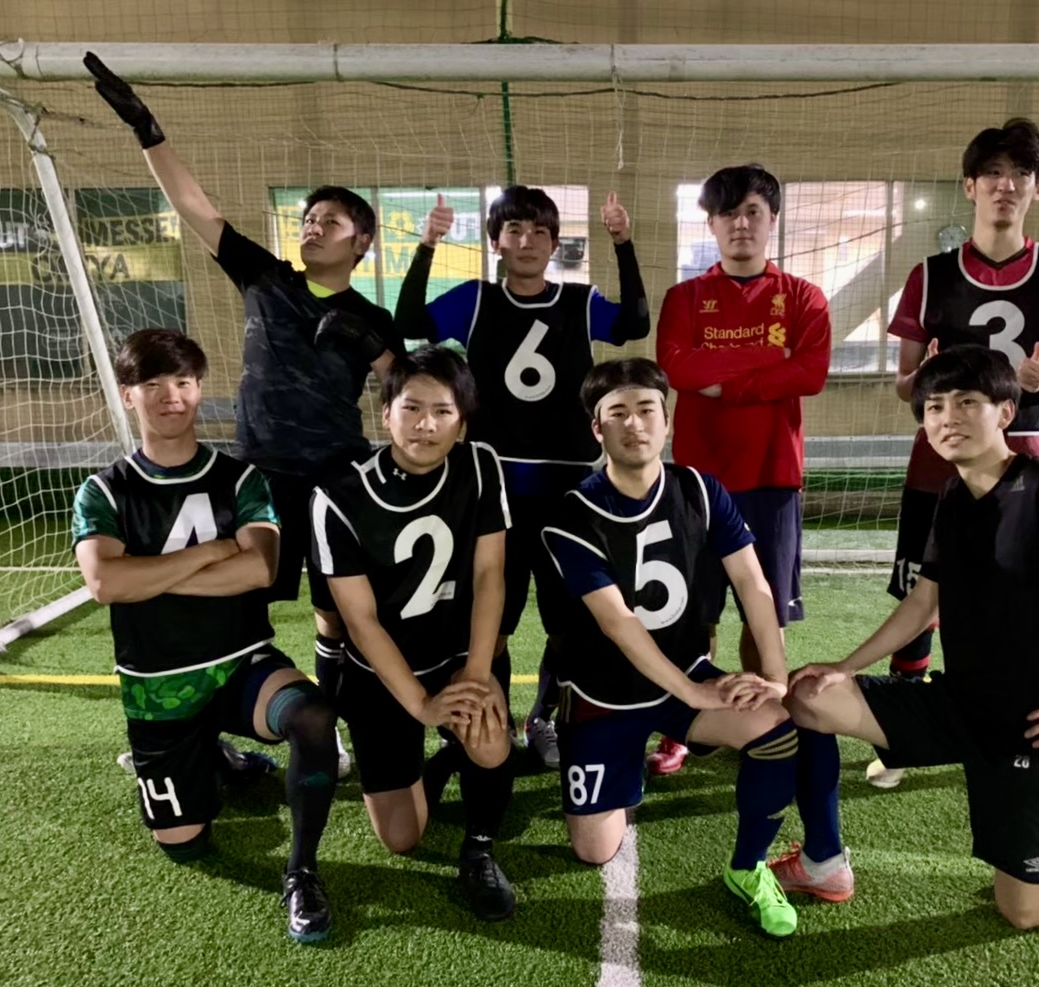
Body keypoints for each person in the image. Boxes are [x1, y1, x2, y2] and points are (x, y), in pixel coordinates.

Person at [86, 53, 403, 777]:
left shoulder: (373, 317)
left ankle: (331, 734)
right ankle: (199, 736)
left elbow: (405, 396)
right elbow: (196, 208)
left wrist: (380, 352)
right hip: (257, 475)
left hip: (337, 478)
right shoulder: (266, 276)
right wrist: (146, 128)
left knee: (339, 613)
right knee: (232, 602)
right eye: (309, 218)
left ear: (361, 242)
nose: (313, 227)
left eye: (330, 221)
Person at [787, 345, 1039, 931]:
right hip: (958, 705)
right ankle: (823, 861)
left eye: (968, 402)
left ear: (1006, 412)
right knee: (809, 695)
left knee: (1026, 913)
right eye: (935, 406)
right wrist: (846, 665)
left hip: (1034, 729)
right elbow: (924, 602)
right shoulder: (952, 496)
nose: (949, 418)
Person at [541, 358, 850, 939]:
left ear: (667, 421)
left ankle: (747, 867)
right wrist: (693, 692)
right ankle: (623, 761)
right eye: (617, 413)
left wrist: (775, 674)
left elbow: (754, 583)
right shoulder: (571, 514)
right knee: (594, 851)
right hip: (603, 697)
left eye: (646, 409)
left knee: (778, 725)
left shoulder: (701, 491)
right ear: (597, 428)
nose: (635, 423)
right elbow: (618, 622)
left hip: (684, 675)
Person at [72, 330, 339, 943]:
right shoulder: (104, 491)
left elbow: (260, 569)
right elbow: (106, 583)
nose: (171, 396)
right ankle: (211, 755)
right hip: (159, 687)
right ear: (128, 395)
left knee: (314, 717)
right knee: (183, 846)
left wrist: (148, 577)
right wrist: (212, 552)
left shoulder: (241, 480)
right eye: (153, 384)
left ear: (199, 389)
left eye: (184, 382)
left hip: (241, 665)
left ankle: (301, 872)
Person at [874, 118, 1039, 788]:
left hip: (1022, 461)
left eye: (1021, 175)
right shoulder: (929, 274)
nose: (1006, 186)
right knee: (919, 591)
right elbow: (903, 384)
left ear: (1038, 189)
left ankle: (1016, 724)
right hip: (937, 463)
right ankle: (904, 731)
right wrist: (922, 379)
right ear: (970, 185)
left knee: (1017, 599)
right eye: (993, 174)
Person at [396, 186, 649, 770]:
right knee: (492, 620)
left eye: (539, 232)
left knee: (571, 620)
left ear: (555, 244)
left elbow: (634, 322)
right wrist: (427, 244)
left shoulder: (579, 301)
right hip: (495, 489)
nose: (527, 241)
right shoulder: (477, 299)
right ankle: (494, 721)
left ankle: (546, 717)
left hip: (567, 490)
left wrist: (623, 242)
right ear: (496, 243)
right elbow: (409, 322)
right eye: (514, 230)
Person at [310, 345, 517, 921]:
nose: (426, 424)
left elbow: (490, 574)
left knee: (488, 736)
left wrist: (476, 676)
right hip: (382, 673)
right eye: (412, 408)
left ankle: (479, 849)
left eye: (443, 411)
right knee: (402, 838)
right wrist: (422, 706)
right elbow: (360, 620)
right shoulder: (337, 495)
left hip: (456, 657)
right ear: (386, 414)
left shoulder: (481, 466)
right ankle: (442, 758)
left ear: (462, 422)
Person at [653, 164, 831, 775]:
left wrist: (723, 380)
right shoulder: (684, 299)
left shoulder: (803, 297)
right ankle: (685, 725)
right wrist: (767, 360)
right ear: (711, 224)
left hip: (772, 478)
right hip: (698, 484)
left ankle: (763, 717)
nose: (741, 224)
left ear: (772, 219)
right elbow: (678, 369)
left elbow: (810, 372)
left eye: (753, 211)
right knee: (691, 613)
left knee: (765, 613)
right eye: (728, 213)